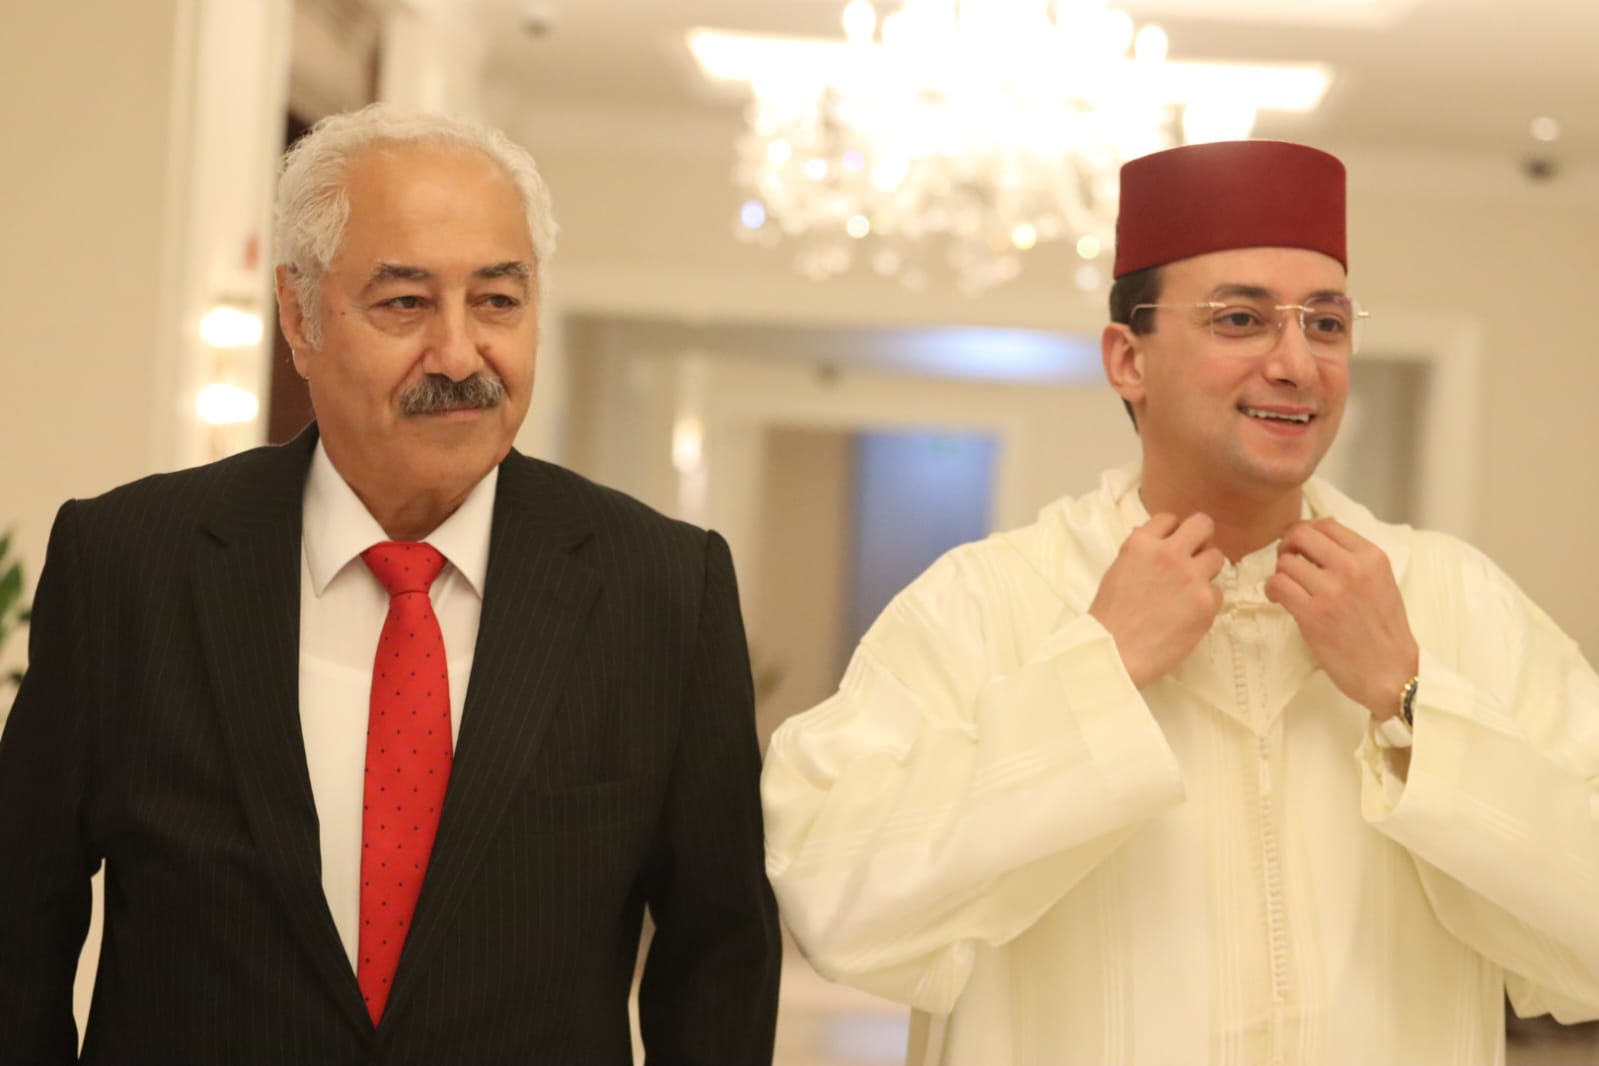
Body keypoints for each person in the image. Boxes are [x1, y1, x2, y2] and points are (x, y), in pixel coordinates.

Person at [760, 140, 1599, 1065]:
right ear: (1128, 358)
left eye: (1325, 324)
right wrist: (1098, 671)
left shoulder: (1452, 600)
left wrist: (1409, 699)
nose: (1297, 363)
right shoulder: (985, 602)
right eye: (1241, 319)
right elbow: (836, 903)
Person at [0, 104, 780, 1064]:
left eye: (498, 301)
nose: (458, 354)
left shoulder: (663, 589)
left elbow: (718, 962)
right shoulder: (129, 564)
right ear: (299, 316)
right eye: (406, 303)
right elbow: (19, 925)